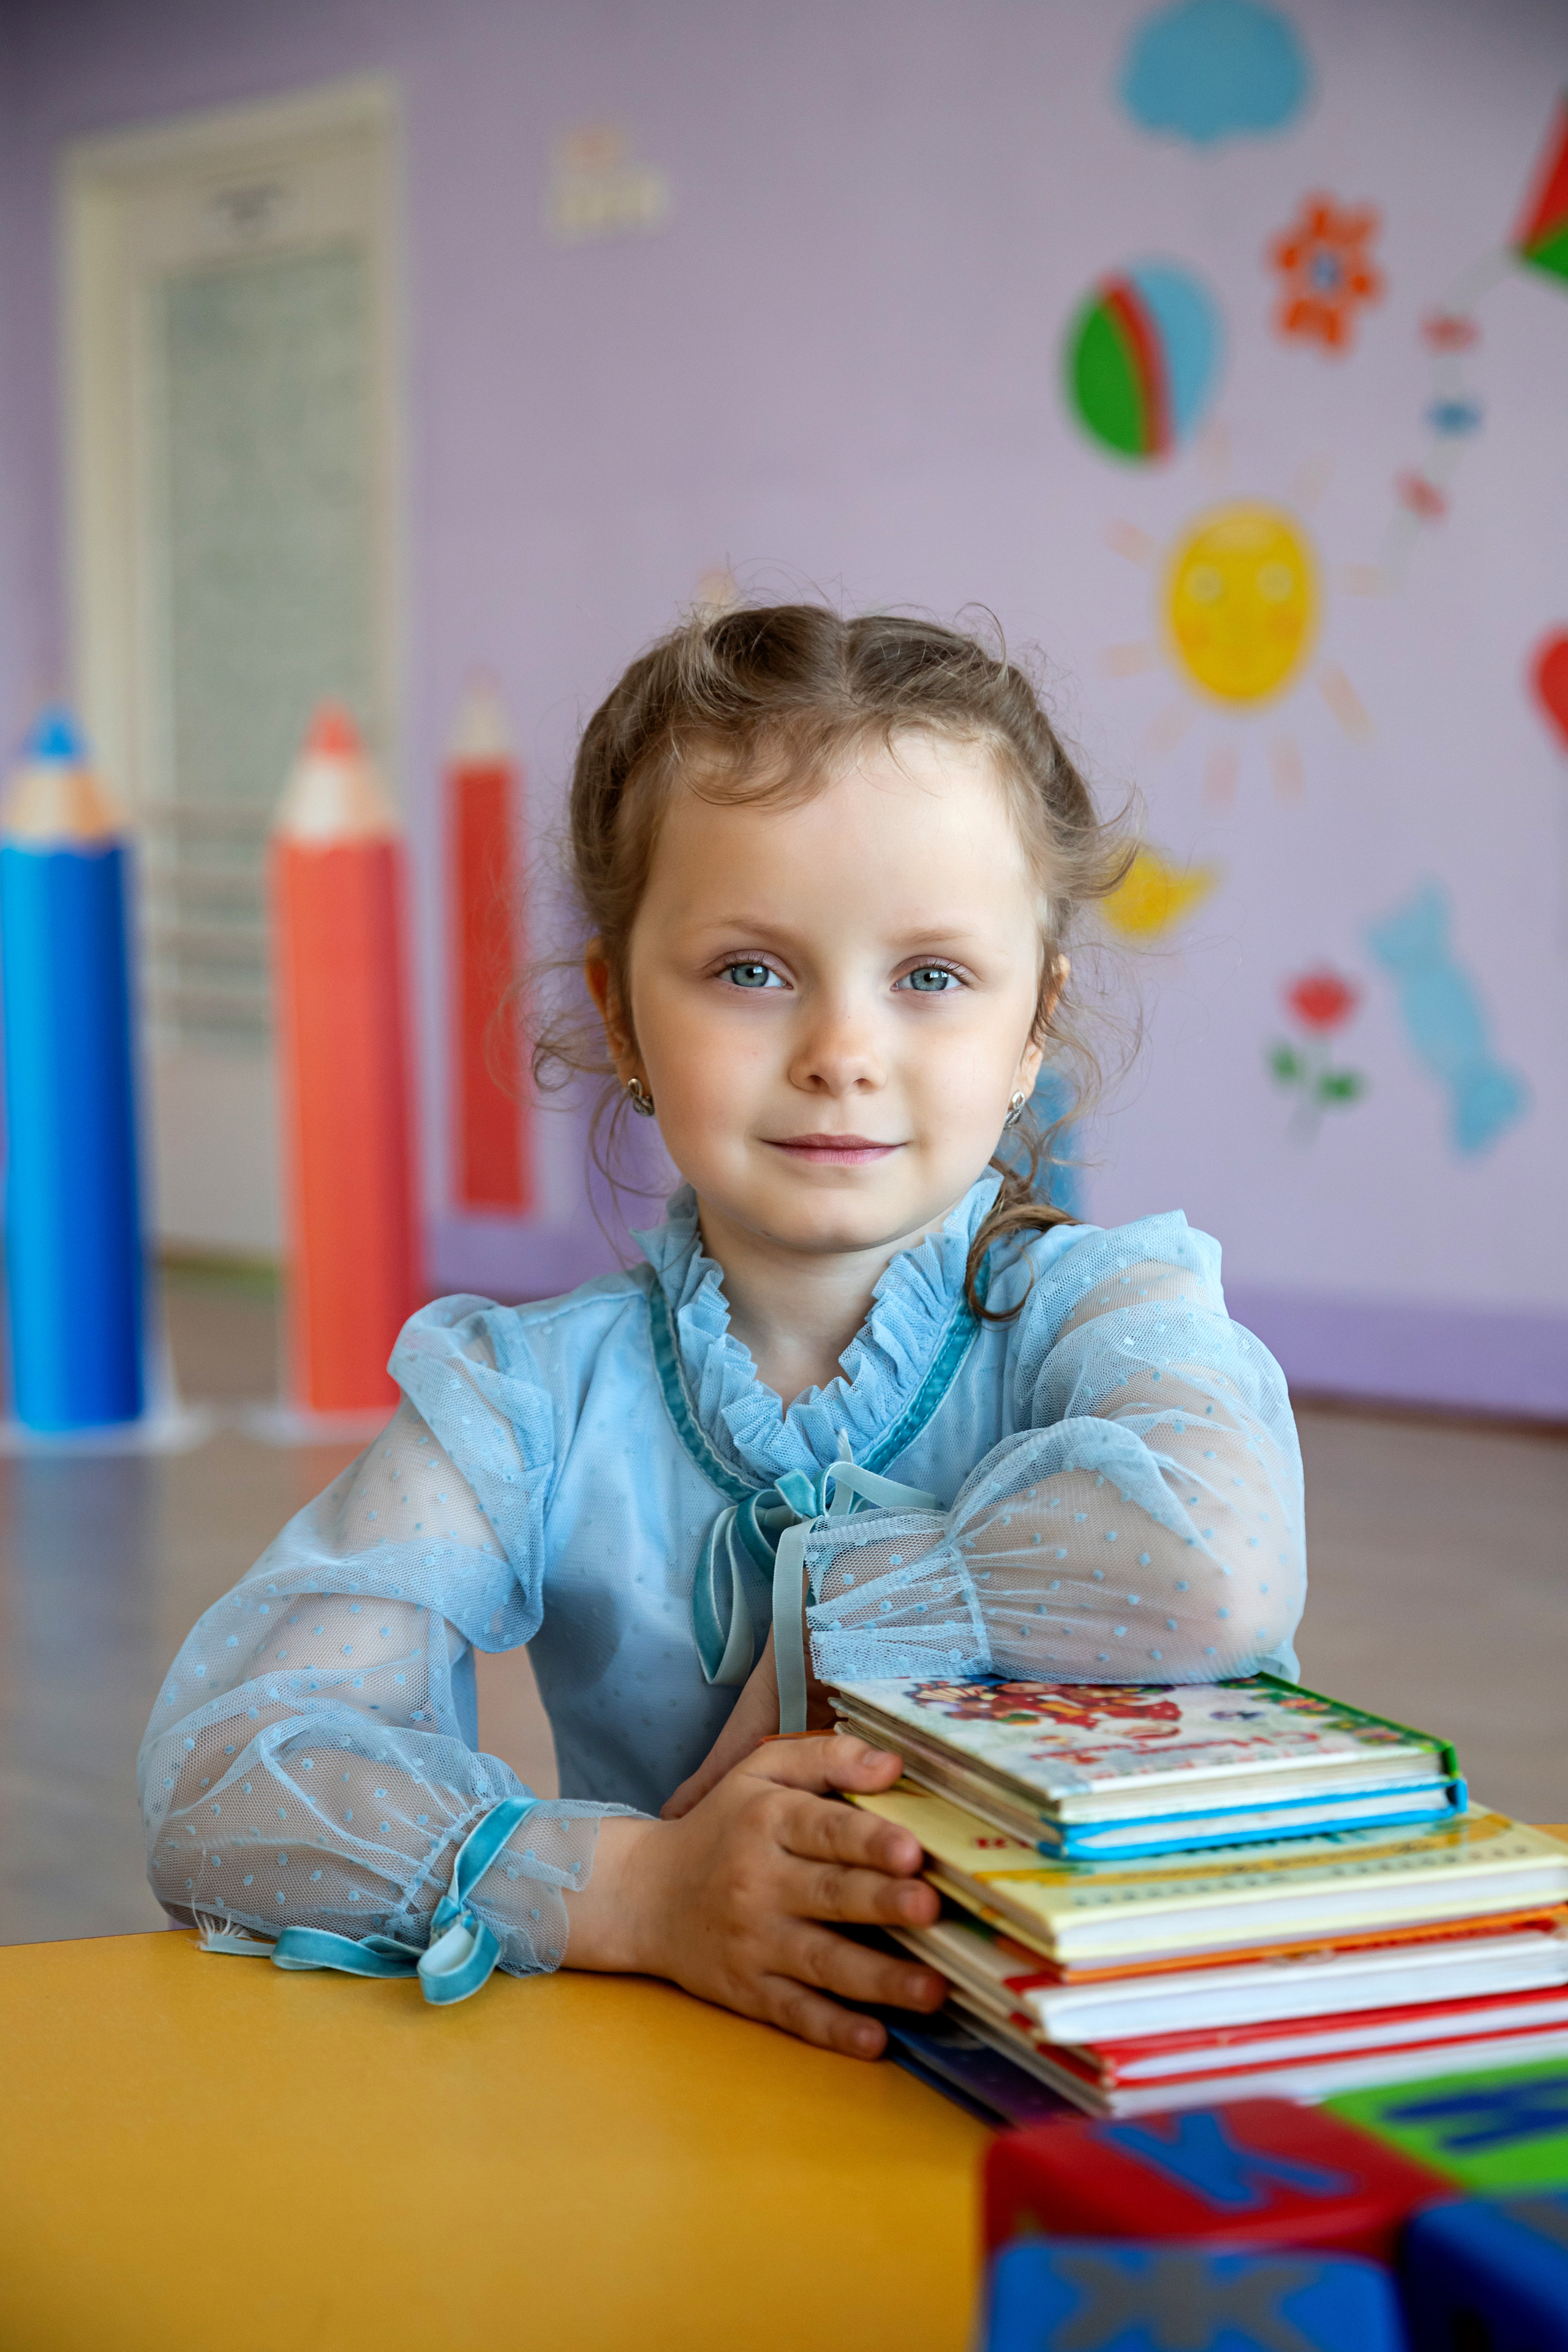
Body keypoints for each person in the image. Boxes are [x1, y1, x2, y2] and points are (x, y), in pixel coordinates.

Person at [140, 605, 1305, 2056]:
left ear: (1030, 1033)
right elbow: (225, 1779)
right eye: (752, 970)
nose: (841, 1052)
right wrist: (636, 1892)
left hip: (1095, 2084)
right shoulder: (524, 1398)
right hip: (689, 2081)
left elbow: (1219, 1566)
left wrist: (839, 1615)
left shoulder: (1106, 1308)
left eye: (930, 977)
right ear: (620, 1018)